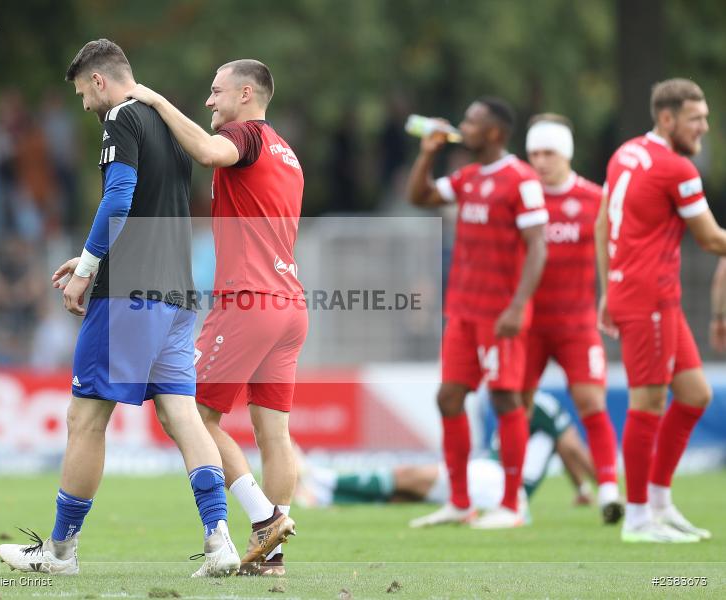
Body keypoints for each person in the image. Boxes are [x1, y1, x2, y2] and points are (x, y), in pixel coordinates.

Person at [0, 39, 240, 578]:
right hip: (177, 294)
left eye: (84, 91)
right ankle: (220, 539)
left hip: (130, 298)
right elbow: (155, 208)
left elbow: (121, 196)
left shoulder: (124, 117)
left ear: (100, 81)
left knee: (85, 419)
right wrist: (91, 257)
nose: (85, 103)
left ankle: (59, 552)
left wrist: (87, 270)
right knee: (182, 413)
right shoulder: (169, 126)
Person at [125, 59, 306, 575]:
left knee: (190, 414)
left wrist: (156, 101)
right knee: (275, 433)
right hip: (290, 303)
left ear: (246, 94)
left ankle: (264, 517)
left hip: (249, 301)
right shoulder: (287, 152)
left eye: (215, 91)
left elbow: (207, 153)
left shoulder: (243, 134)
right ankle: (269, 556)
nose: (209, 102)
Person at [406, 98, 548, 529]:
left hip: (500, 311)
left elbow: (539, 246)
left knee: (505, 398)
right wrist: (428, 151)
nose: (463, 127)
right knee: (448, 397)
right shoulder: (467, 177)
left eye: (472, 122)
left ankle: (512, 504)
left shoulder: (521, 179)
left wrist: (518, 304)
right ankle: (461, 502)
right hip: (463, 311)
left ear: (495, 134)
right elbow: (420, 196)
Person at [597, 78, 723, 543]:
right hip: (648, 298)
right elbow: (711, 239)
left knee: (694, 395)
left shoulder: (625, 152)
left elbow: (602, 219)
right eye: (696, 118)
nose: (704, 127)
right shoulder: (676, 169)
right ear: (667, 119)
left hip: (649, 295)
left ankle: (659, 503)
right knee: (646, 404)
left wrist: (607, 286)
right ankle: (635, 519)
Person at [522, 114, 623, 524]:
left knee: (591, 403)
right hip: (528, 325)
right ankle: (511, 499)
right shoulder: (522, 196)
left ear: (566, 154)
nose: (540, 161)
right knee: (516, 407)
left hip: (576, 325)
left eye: (548, 153)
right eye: (533, 154)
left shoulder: (595, 199)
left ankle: (609, 491)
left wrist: (614, 298)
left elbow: (615, 255)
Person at [293, 392, 595, 516]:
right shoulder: (529, 404)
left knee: (409, 477)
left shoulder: (539, 402)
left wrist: (604, 487)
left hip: (497, 479)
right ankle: (323, 495)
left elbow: (571, 447)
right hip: (492, 478)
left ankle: (319, 477)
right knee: (408, 492)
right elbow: (565, 447)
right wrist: (581, 487)